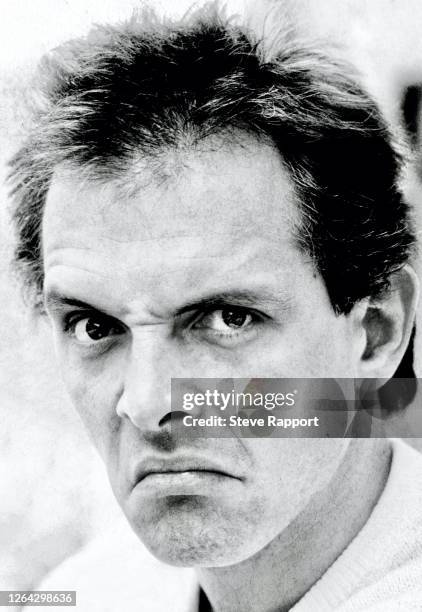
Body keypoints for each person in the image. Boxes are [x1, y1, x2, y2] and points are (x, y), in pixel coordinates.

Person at [8, 6, 422, 611]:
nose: (147, 404)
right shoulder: (90, 593)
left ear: (376, 332)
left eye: (228, 318)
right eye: (95, 326)